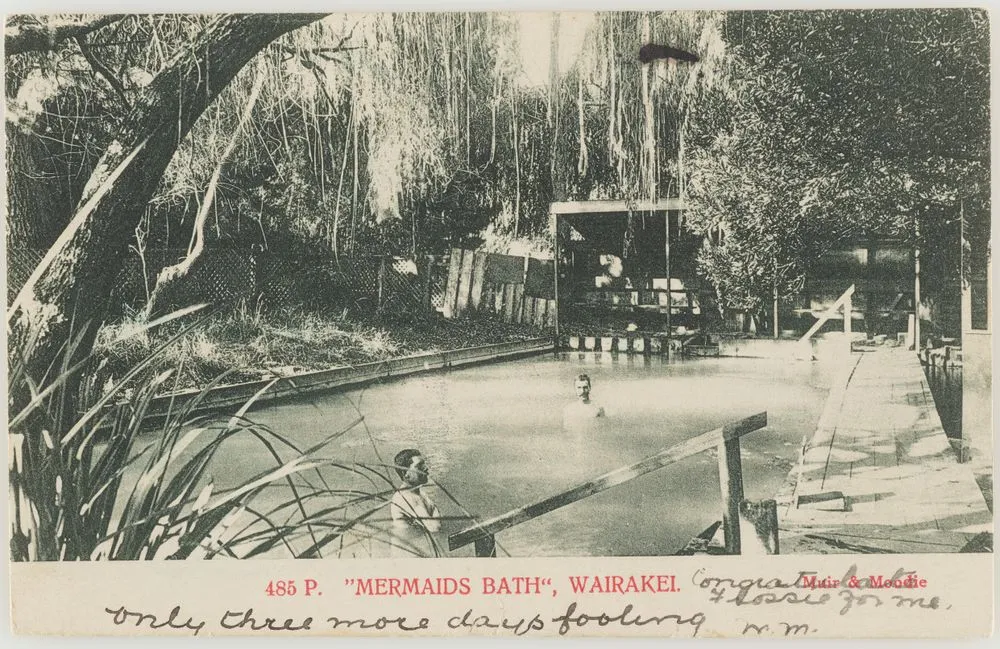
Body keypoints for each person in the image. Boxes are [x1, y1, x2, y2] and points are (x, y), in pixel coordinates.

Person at [390, 449, 441, 533]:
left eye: (424, 464)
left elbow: (434, 509)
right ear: (405, 473)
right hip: (409, 544)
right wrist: (435, 512)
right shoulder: (406, 497)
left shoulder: (418, 492)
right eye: (419, 466)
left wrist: (434, 511)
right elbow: (434, 529)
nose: (426, 468)